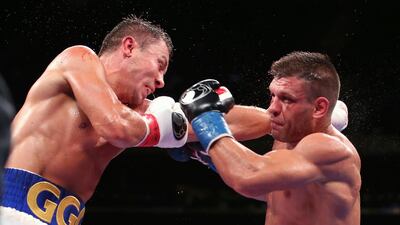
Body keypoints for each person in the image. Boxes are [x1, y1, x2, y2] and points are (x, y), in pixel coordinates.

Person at [0, 15, 194, 225]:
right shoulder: (77, 59)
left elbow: (204, 121)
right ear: (129, 47)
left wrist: (215, 114)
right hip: (9, 207)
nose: (161, 81)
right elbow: (116, 126)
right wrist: (158, 128)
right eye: (160, 64)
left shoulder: (137, 112)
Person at [179, 51, 361, 225]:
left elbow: (248, 178)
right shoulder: (286, 139)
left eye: (287, 99)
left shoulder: (328, 147)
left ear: (319, 108)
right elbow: (274, 192)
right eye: (273, 95)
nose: (272, 108)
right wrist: (213, 158)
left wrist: (206, 120)